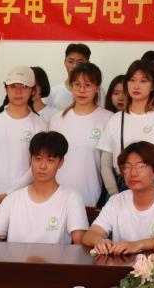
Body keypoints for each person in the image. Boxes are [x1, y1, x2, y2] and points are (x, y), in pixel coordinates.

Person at [0, 131, 88, 244]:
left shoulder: (71, 198)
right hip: (16, 256)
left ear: (61, 163)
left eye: (50, 160)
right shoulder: (12, 199)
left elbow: (80, 246)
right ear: (30, 159)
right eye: (38, 158)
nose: (42, 166)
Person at [85, 141, 154, 255]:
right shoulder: (117, 201)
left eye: (141, 166)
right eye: (127, 166)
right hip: (121, 264)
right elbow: (89, 235)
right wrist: (99, 241)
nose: (133, 173)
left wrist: (137, 245)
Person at [97, 60, 154, 196]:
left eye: (143, 81)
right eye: (132, 80)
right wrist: (115, 195)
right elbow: (105, 164)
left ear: (153, 86)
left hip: (152, 189)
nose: (136, 86)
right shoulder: (116, 119)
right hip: (122, 188)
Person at [0, 65, 48, 210]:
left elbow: (35, 167)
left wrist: (8, 196)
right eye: (13, 86)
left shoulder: (40, 125)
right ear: (6, 88)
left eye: (24, 87)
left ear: (33, 90)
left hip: (21, 199)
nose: (18, 91)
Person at [50, 62, 112, 207]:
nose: (82, 90)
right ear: (71, 86)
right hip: (56, 195)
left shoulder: (109, 119)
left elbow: (108, 164)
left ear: (97, 88)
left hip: (91, 197)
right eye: (77, 84)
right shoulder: (57, 119)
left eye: (88, 85)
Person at [45, 43, 98, 112]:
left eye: (80, 62)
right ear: (64, 62)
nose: (74, 66)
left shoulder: (97, 91)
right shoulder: (53, 93)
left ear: (88, 63)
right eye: (70, 61)